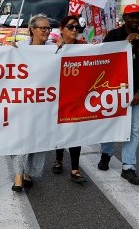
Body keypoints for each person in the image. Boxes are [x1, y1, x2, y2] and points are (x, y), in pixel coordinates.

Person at [98, 4, 139, 185]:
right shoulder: (113, 36)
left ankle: (128, 166)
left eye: (137, 16)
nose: (135, 19)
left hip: (135, 91)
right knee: (110, 124)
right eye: (131, 16)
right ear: (124, 17)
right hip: (113, 90)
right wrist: (125, 44)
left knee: (133, 130)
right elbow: (103, 58)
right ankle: (106, 153)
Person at [11, 14, 53, 192]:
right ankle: (18, 176)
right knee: (21, 137)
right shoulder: (19, 48)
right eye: (42, 28)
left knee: (38, 139)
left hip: (44, 103)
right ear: (31, 30)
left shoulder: (54, 49)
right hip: (22, 102)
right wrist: (8, 52)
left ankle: (29, 173)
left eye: (48, 28)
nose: (46, 31)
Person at [52, 15, 87, 184]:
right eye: (71, 27)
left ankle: (75, 168)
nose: (74, 30)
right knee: (60, 128)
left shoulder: (84, 46)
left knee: (76, 131)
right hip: (58, 95)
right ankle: (58, 159)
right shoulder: (53, 46)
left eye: (77, 28)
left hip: (77, 95)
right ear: (62, 29)